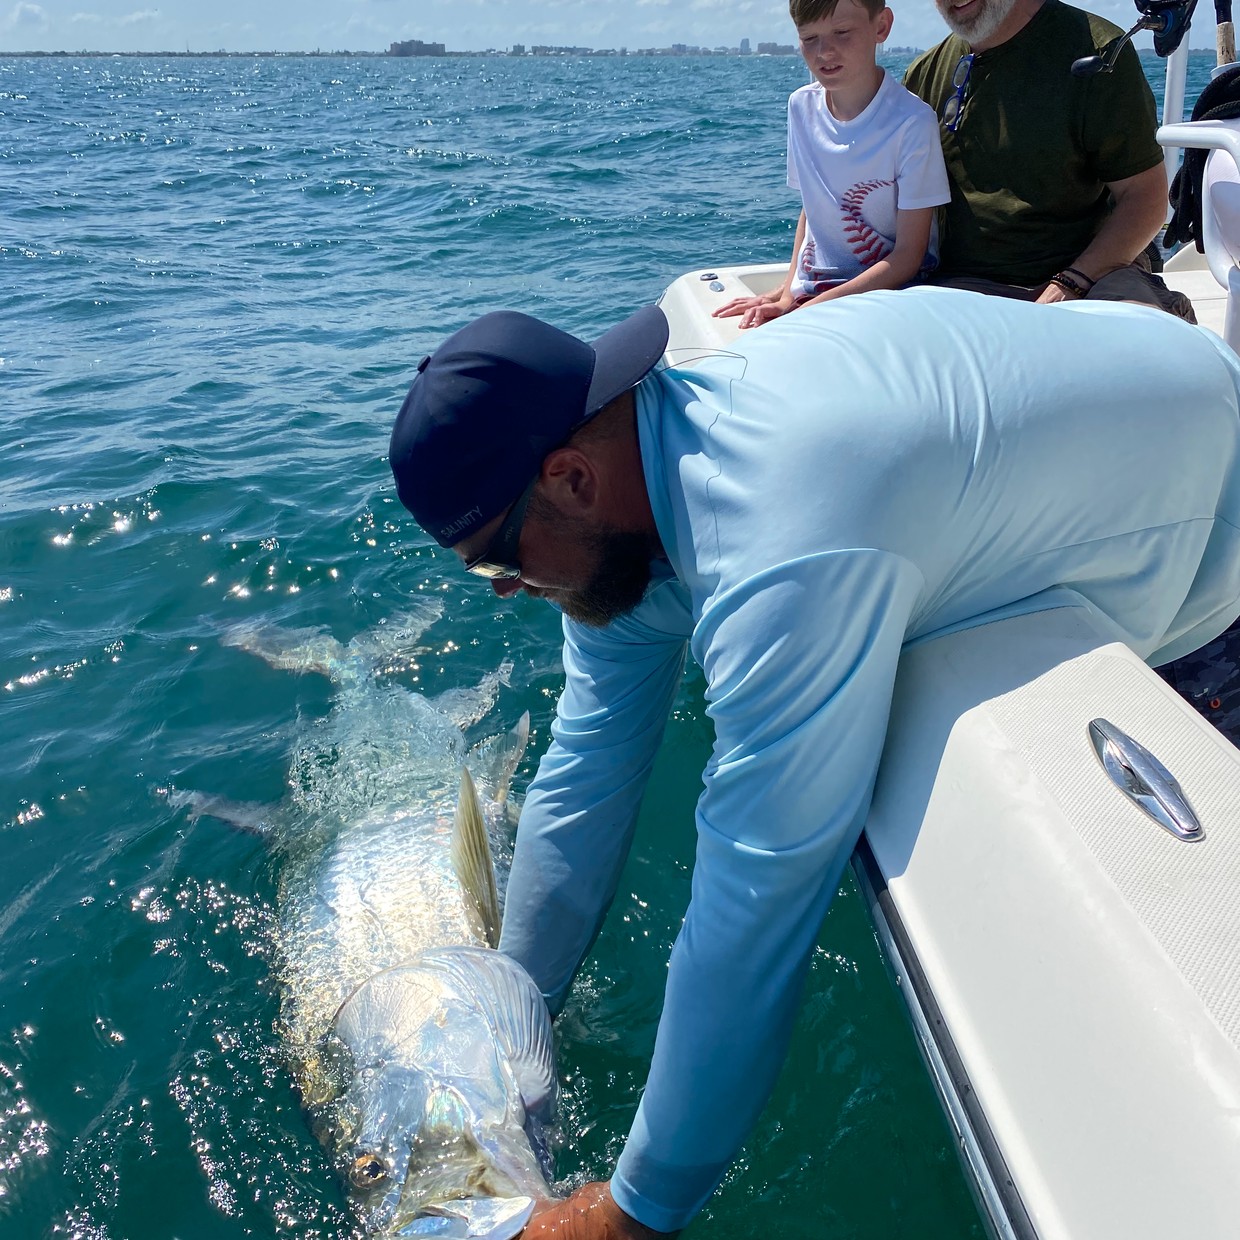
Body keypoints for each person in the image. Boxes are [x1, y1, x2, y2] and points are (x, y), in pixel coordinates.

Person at [387, 290, 1240, 1237]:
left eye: (493, 562)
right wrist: (509, 1020)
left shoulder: (780, 544)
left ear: (572, 480)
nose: (504, 592)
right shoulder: (648, 469)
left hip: (1212, 512)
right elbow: (582, 776)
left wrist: (629, 1216)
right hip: (1139, 367)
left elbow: (756, 898)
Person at [903, 0, 1194, 317]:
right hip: (958, 286)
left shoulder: (1100, 52)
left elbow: (1144, 197)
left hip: (1090, 276)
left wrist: (1071, 283)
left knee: (1136, 340)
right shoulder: (922, 75)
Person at [713, 0, 950, 329]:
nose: (824, 51)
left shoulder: (912, 122)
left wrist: (808, 310)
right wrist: (786, 294)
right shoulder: (800, 107)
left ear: (880, 27)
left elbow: (909, 257)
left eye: (842, 33)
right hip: (815, 291)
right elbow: (811, 210)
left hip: (891, 296)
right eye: (809, 38)